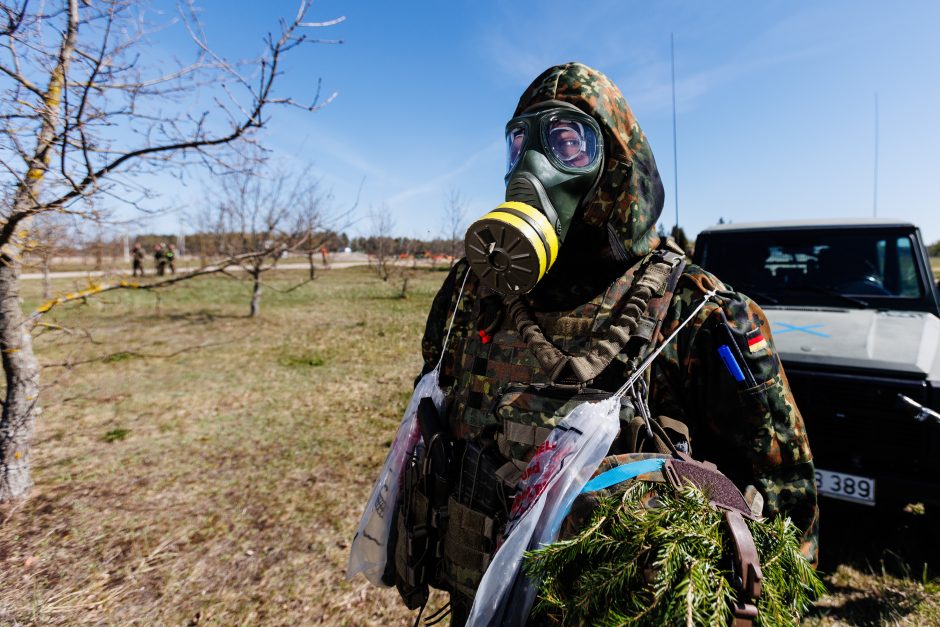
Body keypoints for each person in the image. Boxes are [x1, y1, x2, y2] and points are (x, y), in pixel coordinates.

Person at [397, 63, 818, 625]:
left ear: (618, 162)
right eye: (520, 141)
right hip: (476, 604)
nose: (533, 166)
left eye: (567, 142)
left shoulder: (697, 312)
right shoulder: (472, 290)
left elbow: (785, 503)